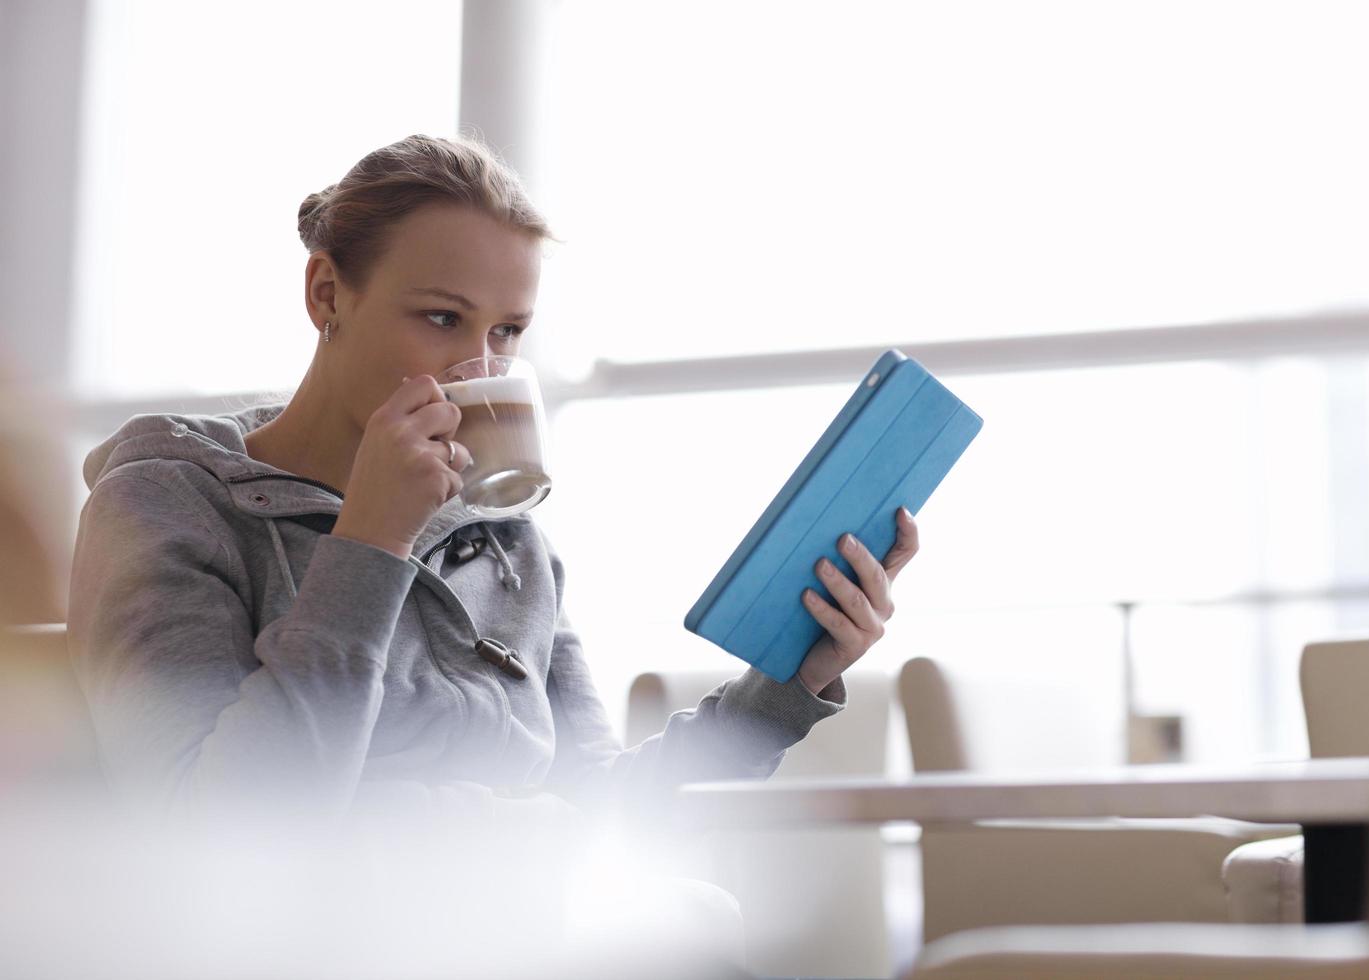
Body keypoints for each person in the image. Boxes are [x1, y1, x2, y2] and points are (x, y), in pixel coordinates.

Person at [67, 133, 920, 832]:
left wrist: (790, 682)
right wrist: (370, 543)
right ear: (328, 293)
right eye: (442, 318)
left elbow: (599, 806)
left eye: (507, 332)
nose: (479, 366)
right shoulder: (170, 503)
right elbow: (214, 836)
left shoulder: (505, 534)